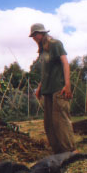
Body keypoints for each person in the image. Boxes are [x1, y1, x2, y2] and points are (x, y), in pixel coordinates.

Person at [29, 23, 77, 154]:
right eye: (33, 36)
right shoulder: (42, 51)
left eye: (36, 34)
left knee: (60, 121)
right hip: (47, 90)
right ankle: (58, 152)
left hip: (58, 88)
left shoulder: (55, 44)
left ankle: (70, 151)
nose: (34, 37)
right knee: (49, 123)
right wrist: (39, 88)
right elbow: (45, 72)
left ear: (43, 33)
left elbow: (65, 63)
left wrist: (67, 85)